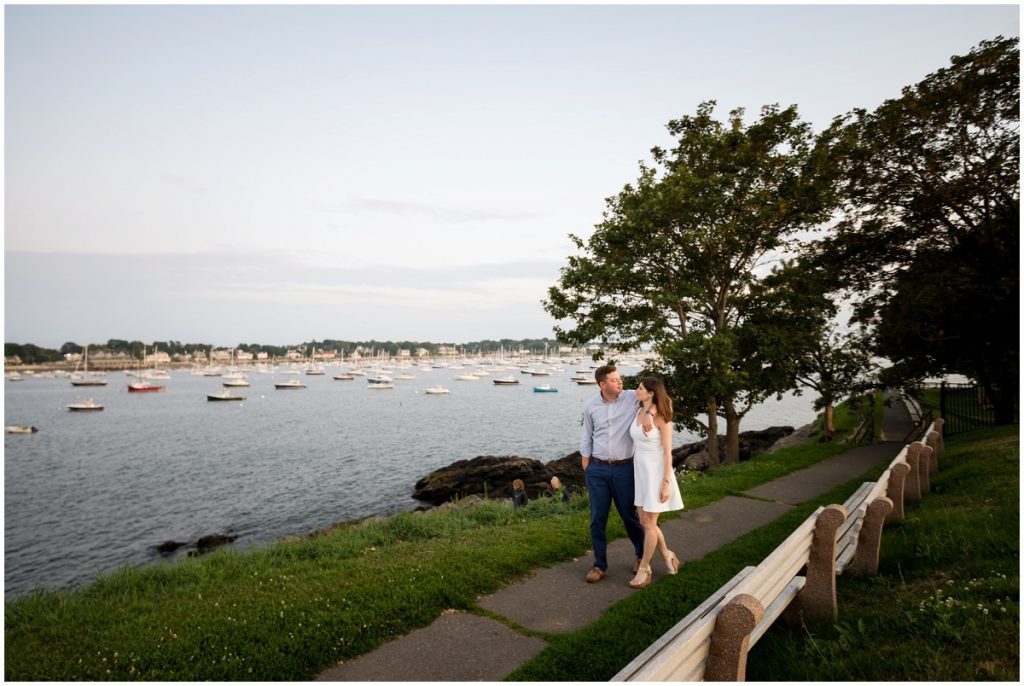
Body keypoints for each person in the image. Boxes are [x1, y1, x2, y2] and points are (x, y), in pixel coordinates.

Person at [579, 364, 652, 583]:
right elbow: (587, 435)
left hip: (624, 468)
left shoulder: (631, 397)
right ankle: (599, 565)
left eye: (619, 378)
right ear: (602, 384)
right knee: (597, 519)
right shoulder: (591, 405)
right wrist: (587, 465)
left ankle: (641, 556)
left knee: (630, 516)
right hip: (597, 469)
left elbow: (655, 398)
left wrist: (648, 413)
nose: (619, 382)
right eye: (614, 379)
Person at [628, 376, 684, 589]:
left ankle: (645, 568)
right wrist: (648, 411)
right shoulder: (638, 411)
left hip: (657, 472)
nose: (636, 390)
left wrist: (666, 483)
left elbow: (667, 453)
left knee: (649, 523)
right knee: (645, 522)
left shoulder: (662, 416)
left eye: (640, 388)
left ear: (651, 392)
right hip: (640, 471)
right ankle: (668, 556)